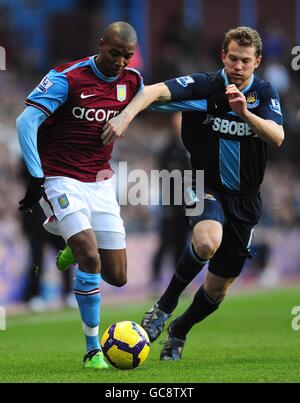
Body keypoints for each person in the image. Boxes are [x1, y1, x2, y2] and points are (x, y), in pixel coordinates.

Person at [101, 27, 285, 361]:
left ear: (257, 61)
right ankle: (163, 307)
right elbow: (153, 91)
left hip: (246, 199)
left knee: (217, 290)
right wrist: (126, 116)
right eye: (232, 58)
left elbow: (277, 136)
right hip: (204, 185)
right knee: (206, 242)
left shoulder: (265, 93)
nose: (238, 66)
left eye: (245, 60)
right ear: (223, 57)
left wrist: (244, 113)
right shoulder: (205, 86)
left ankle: (179, 329)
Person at [17, 21, 143, 369]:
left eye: (127, 56)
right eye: (114, 53)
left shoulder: (131, 81)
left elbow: (155, 99)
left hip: (101, 182)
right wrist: (36, 176)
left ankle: (75, 244)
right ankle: (92, 350)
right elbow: (25, 122)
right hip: (61, 178)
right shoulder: (67, 77)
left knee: (117, 276)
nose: (120, 62)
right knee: (92, 258)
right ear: (100, 44)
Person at [151, 113, 190, 291]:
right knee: (166, 242)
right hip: (170, 202)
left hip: (187, 204)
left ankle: (179, 283)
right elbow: (163, 176)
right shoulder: (168, 149)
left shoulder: (192, 146)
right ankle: (155, 280)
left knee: (182, 245)